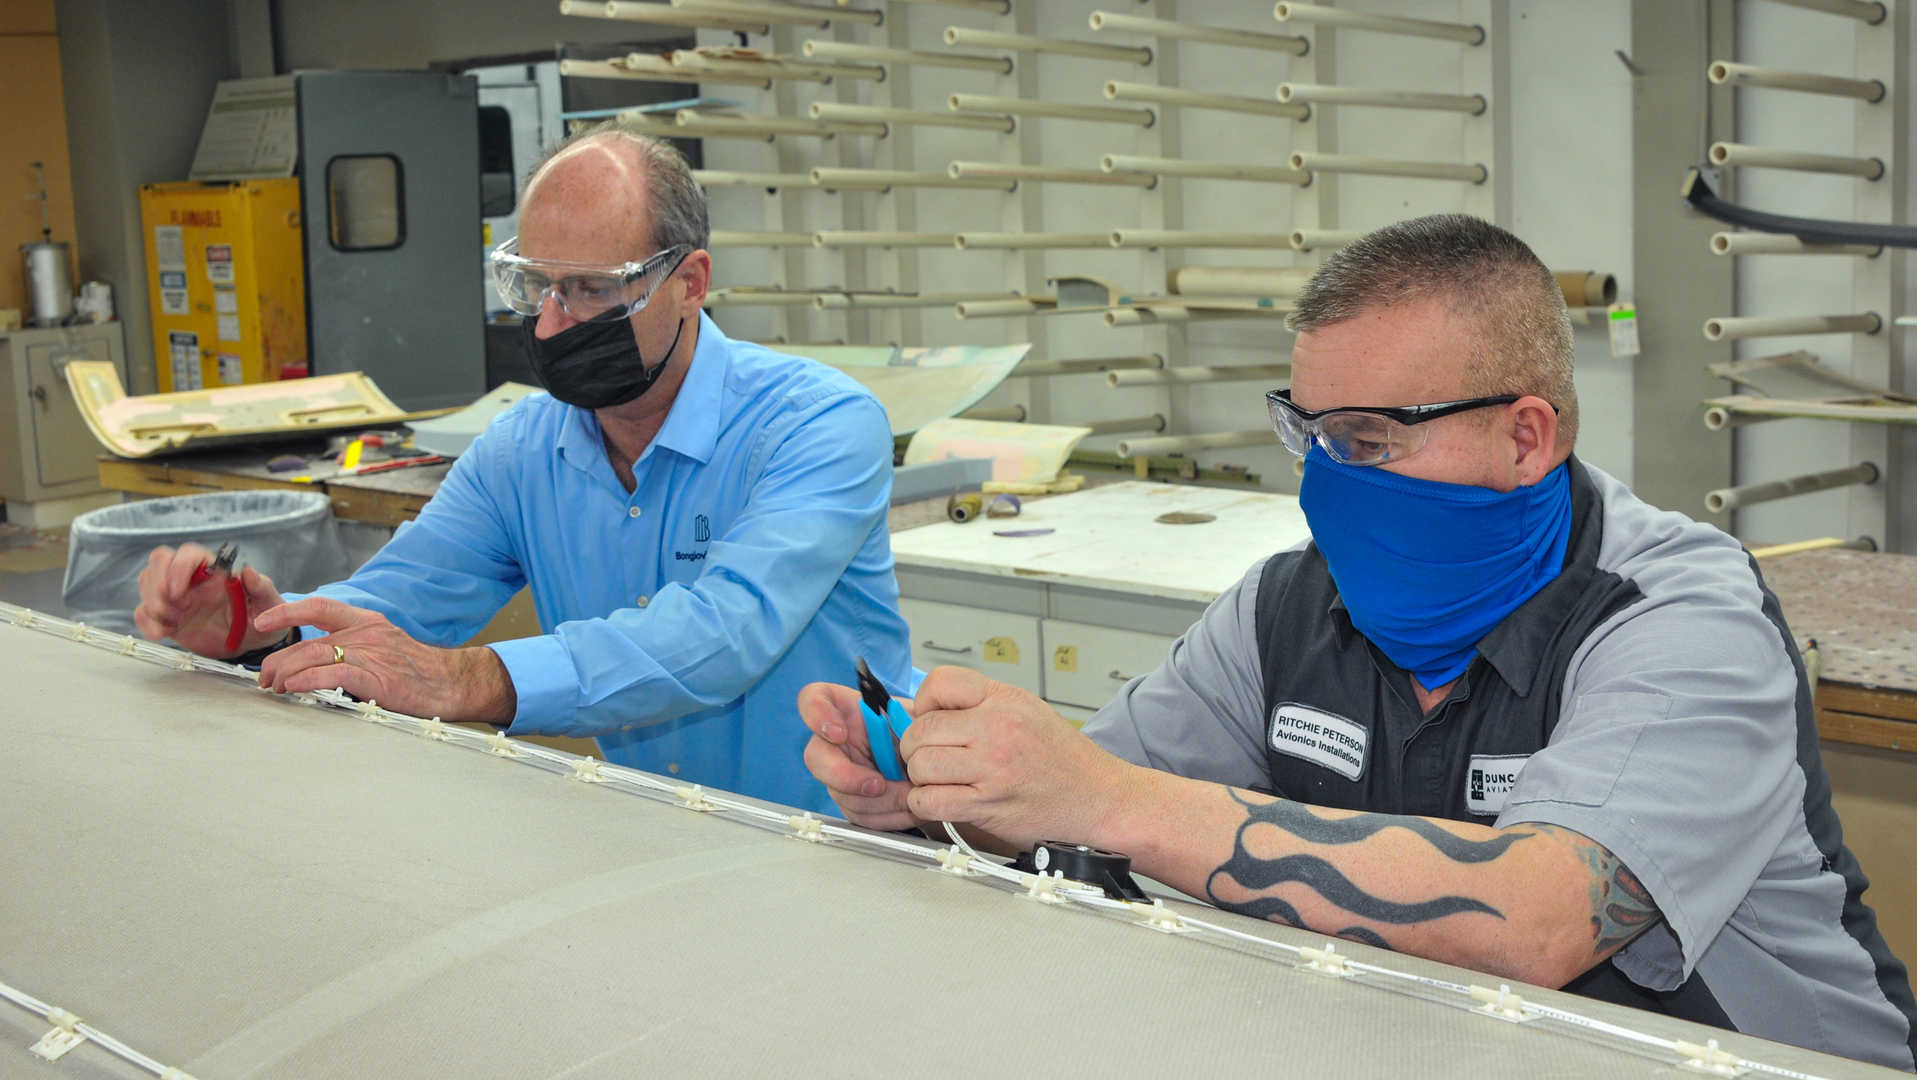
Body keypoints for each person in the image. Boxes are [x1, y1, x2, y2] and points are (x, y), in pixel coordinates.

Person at [800, 215, 1917, 1069]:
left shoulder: (1680, 616)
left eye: (1369, 439)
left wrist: (1099, 798)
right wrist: (963, 799)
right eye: (1310, 432)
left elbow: (1538, 921)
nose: (1326, 479)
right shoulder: (1290, 607)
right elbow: (1092, 807)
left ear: (1526, 435)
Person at [134, 124, 914, 813]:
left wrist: (469, 680)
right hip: (663, 834)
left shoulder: (817, 424)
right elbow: (401, 602)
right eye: (537, 286)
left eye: (589, 291)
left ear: (689, 284)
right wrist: (263, 631)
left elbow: (723, 633)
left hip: (854, 833)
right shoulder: (523, 451)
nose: (549, 322)